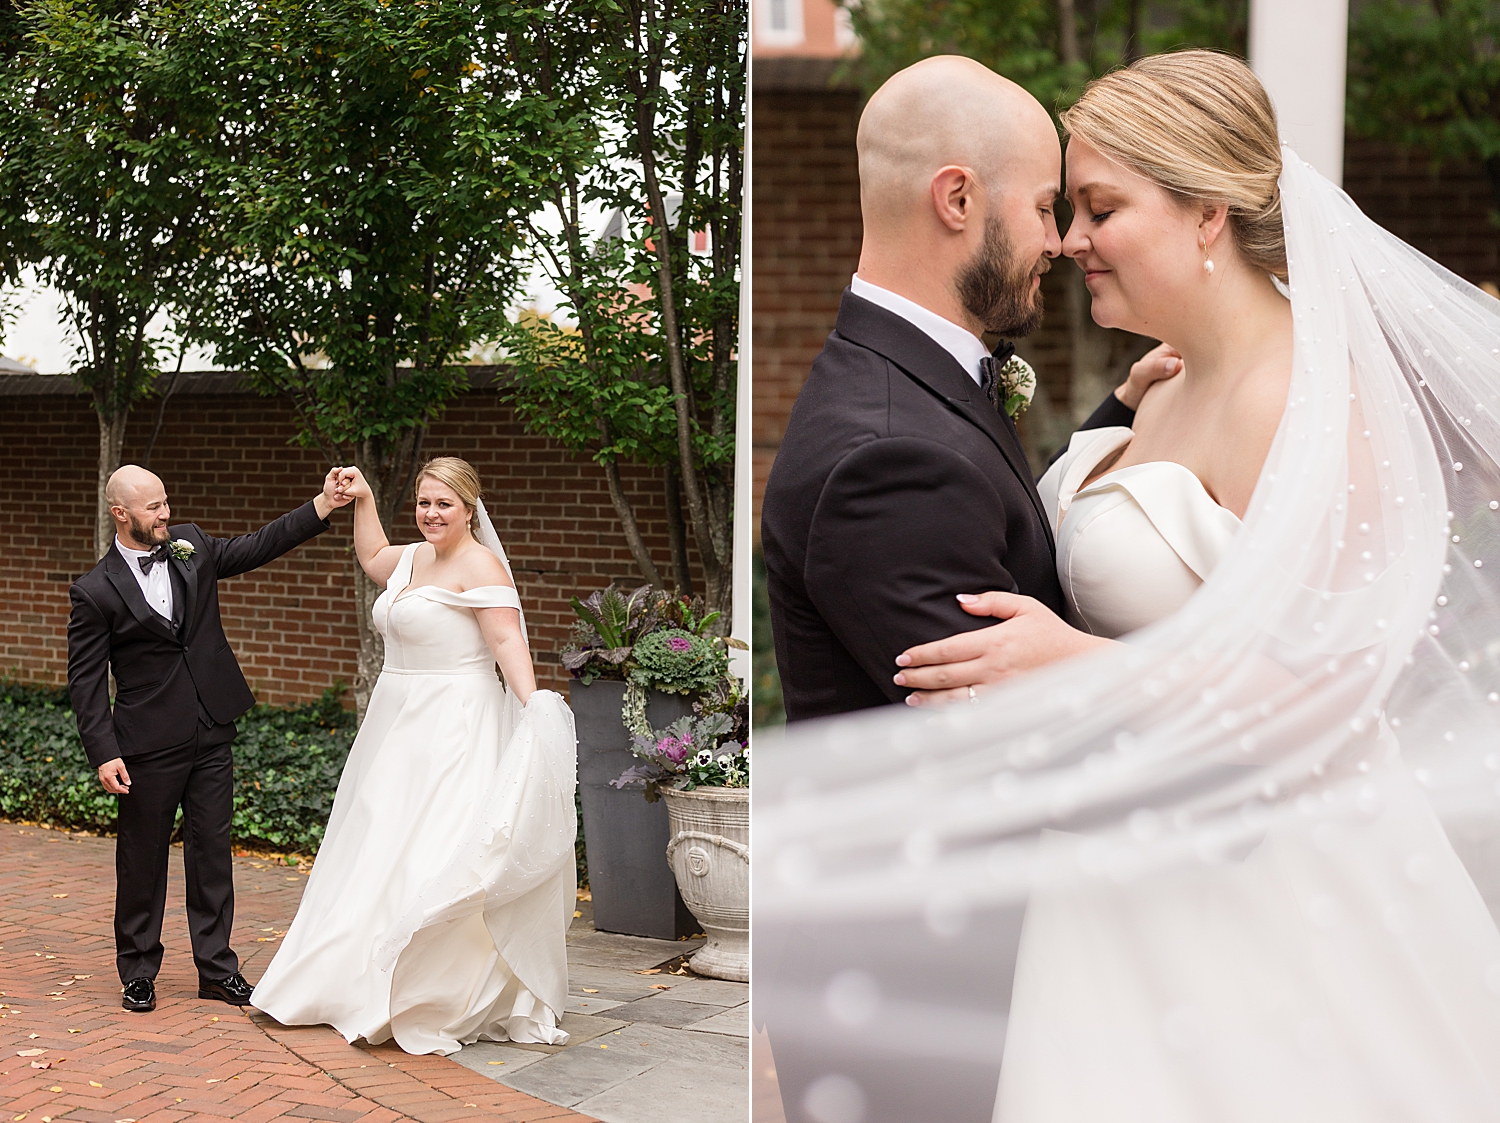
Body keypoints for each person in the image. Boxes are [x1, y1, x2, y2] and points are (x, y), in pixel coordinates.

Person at [754, 51, 1500, 1123]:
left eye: (1096, 206)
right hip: (1109, 907)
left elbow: (1337, 691)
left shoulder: (1318, 411)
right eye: (1061, 204)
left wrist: (1086, 663)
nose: (1067, 238)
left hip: (1270, 901)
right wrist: (1121, 427)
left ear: (1206, 216)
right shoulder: (1153, 394)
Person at [759, 54, 1180, 723]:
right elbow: (1016, 741)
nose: (1058, 242)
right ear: (957, 199)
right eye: (1044, 207)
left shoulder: (900, 375)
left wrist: (1123, 404)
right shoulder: (888, 460)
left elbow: (995, 511)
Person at [250, 457, 578, 1056]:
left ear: (469, 508)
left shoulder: (482, 564)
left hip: (456, 723)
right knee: (376, 840)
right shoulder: (414, 557)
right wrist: (366, 500)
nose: (430, 514)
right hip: (396, 722)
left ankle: (427, 986)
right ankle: (344, 978)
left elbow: (506, 638)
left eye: (443, 505)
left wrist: (533, 706)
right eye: (424, 503)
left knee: (433, 843)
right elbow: (374, 559)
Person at [68, 465, 351, 1013]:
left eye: (166, 502)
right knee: (142, 859)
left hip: (212, 726)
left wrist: (321, 505)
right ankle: (139, 970)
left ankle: (218, 970)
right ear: (121, 514)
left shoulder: (190, 545)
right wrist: (103, 752)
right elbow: (84, 680)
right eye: (154, 508)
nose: (166, 514)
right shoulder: (95, 590)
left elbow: (255, 547)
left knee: (212, 853)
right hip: (147, 742)